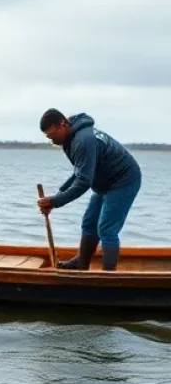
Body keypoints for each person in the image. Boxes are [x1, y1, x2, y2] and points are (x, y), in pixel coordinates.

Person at [36, 109, 141, 271]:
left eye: (52, 135)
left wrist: (54, 202)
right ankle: (81, 263)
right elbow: (80, 171)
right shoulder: (71, 138)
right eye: (49, 138)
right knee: (89, 223)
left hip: (124, 180)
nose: (53, 141)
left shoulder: (84, 140)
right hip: (103, 182)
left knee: (106, 229)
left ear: (63, 124)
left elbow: (83, 182)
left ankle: (108, 277)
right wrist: (58, 195)